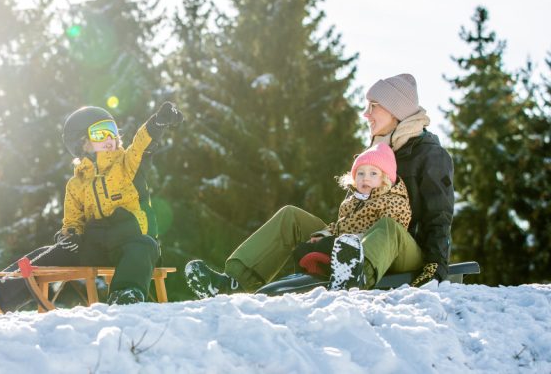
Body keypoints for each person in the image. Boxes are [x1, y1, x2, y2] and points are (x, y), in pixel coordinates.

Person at [185, 73, 454, 297]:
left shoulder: (430, 155)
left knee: (388, 227)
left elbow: (439, 215)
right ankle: (234, 283)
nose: (366, 114)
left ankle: (355, 276)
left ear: (396, 110)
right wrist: (328, 234)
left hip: (405, 250)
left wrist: (435, 267)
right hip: (358, 241)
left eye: (374, 106)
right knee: (291, 217)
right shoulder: (377, 152)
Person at [0, 102, 183, 316]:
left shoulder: (127, 164)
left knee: (145, 246)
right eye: (99, 133)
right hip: (97, 244)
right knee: (47, 254)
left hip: (131, 240)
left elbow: (141, 144)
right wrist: (70, 235)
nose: (110, 137)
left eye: (112, 130)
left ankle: (126, 294)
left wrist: (158, 122)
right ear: (82, 143)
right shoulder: (77, 184)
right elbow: (73, 221)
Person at [290, 142, 411, 289]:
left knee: (335, 244)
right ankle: (310, 279)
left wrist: (348, 241)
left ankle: (356, 278)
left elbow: (386, 236)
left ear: (385, 179)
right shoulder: (351, 203)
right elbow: (339, 226)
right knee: (306, 247)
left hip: (382, 253)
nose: (365, 178)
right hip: (345, 246)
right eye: (361, 173)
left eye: (373, 173)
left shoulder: (393, 201)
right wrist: (324, 234)